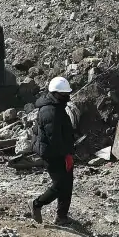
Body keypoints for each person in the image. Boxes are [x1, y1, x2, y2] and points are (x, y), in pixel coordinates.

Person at [31, 76, 76, 225]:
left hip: (60, 151)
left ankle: (61, 216)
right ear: (56, 93)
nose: (67, 97)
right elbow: (54, 139)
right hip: (52, 154)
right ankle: (37, 204)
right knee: (60, 184)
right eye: (64, 95)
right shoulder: (50, 111)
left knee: (67, 183)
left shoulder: (56, 106)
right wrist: (66, 155)